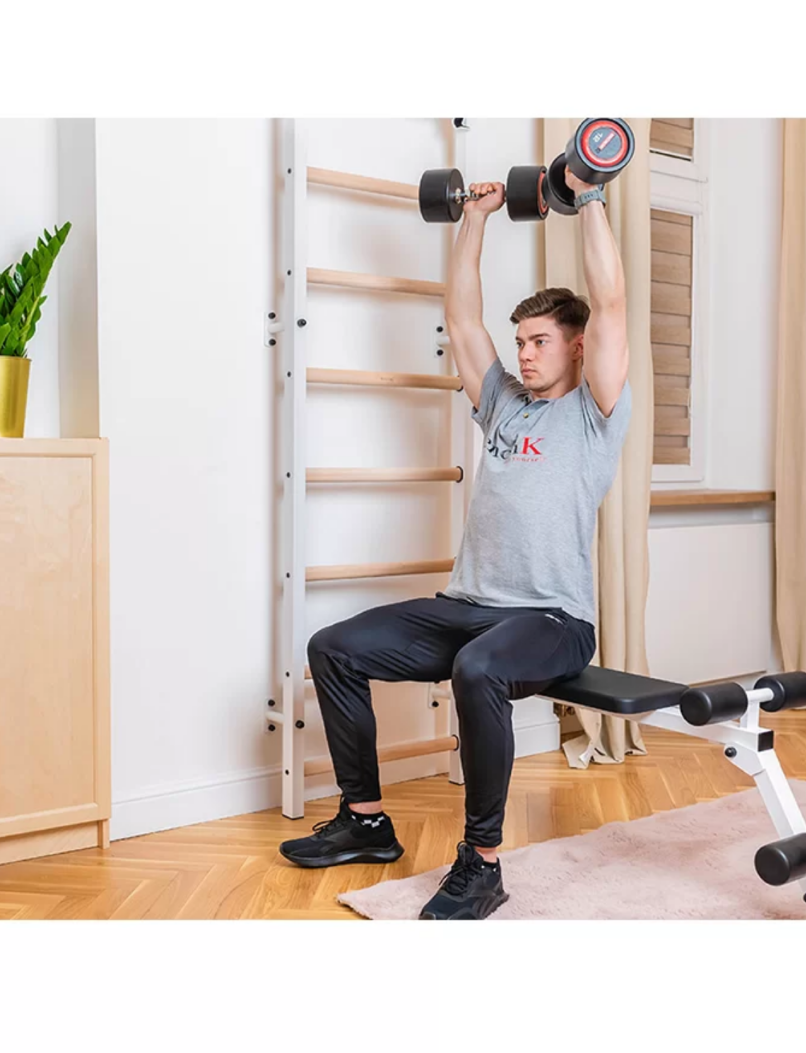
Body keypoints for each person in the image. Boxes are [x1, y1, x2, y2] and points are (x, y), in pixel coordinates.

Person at [279, 165, 632, 920]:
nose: (524, 353)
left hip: (552, 619)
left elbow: (611, 301)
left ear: (576, 348)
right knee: (334, 647)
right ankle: (365, 821)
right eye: (521, 341)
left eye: (539, 341)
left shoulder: (595, 412)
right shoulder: (503, 402)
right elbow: (462, 317)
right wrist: (474, 217)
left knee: (477, 670)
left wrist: (591, 194)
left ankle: (481, 860)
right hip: (469, 604)